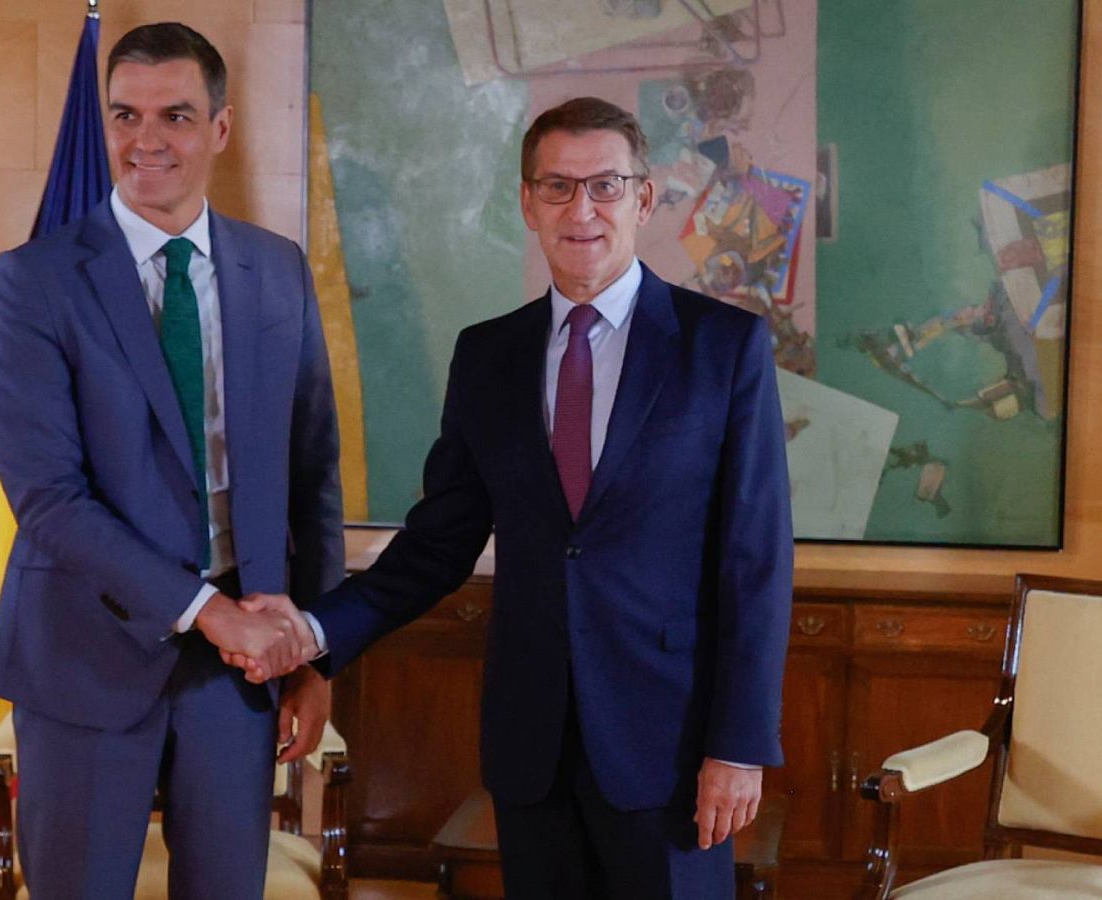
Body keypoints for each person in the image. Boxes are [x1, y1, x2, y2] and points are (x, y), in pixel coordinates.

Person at [237, 97, 793, 898]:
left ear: (642, 198)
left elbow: (756, 561)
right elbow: (437, 544)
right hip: (533, 748)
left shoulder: (724, 349)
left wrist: (739, 746)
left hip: (669, 748)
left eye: (605, 186)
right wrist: (315, 632)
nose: (583, 210)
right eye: (559, 188)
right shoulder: (487, 356)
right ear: (528, 202)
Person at [0, 21, 342, 900]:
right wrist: (211, 613)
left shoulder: (276, 270)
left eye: (175, 115)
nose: (147, 140)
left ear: (220, 128)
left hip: (241, 677)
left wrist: (319, 655)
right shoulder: (34, 282)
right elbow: (51, 501)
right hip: (85, 658)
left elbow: (312, 472)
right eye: (125, 116)